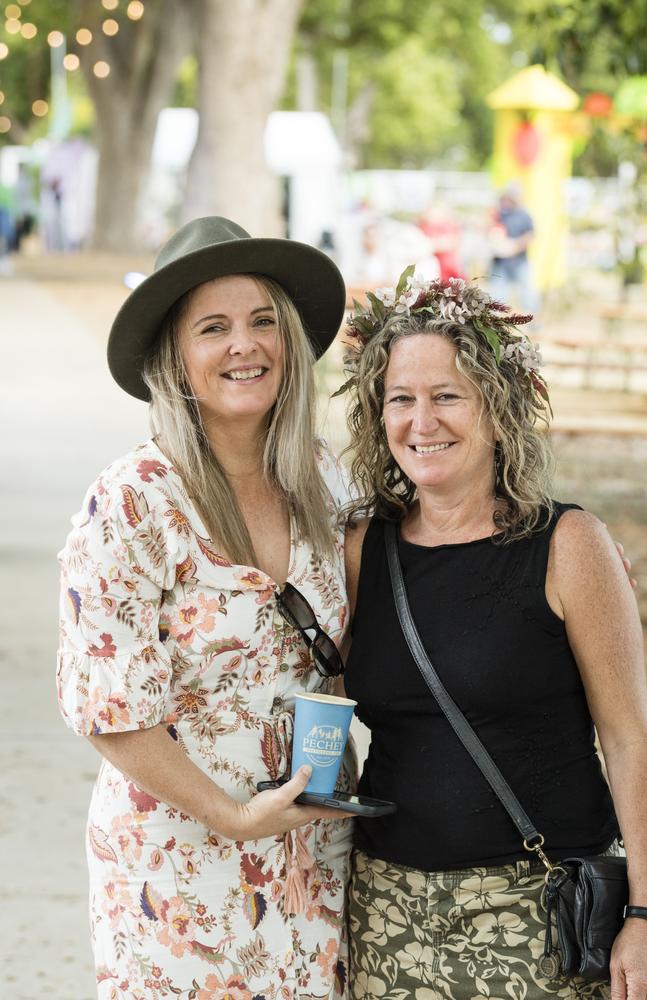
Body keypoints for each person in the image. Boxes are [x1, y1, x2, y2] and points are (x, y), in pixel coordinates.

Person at [56, 216, 357, 998]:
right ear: (175, 359)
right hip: (178, 866)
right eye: (214, 327)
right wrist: (232, 816)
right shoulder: (132, 502)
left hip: (312, 856)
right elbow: (112, 711)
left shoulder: (326, 484)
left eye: (263, 321)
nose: (243, 345)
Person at [339, 270, 647, 999]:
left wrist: (643, 909)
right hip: (388, 916)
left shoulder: (570, 545)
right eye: (401, 400)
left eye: (448, 396)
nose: (423, 422)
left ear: (501, 411)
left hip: (539, 921)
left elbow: (631, 737)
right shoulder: (361, 549)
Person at [489, 182, 539, 314]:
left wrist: (515, 246)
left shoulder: (524, 215)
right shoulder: (498, 214)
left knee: (528, 292)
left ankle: (532, 318)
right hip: (500, 262)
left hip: (519, 260)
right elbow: (490, 230)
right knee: (497, 295)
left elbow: (530, 235)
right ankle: (495, 319)